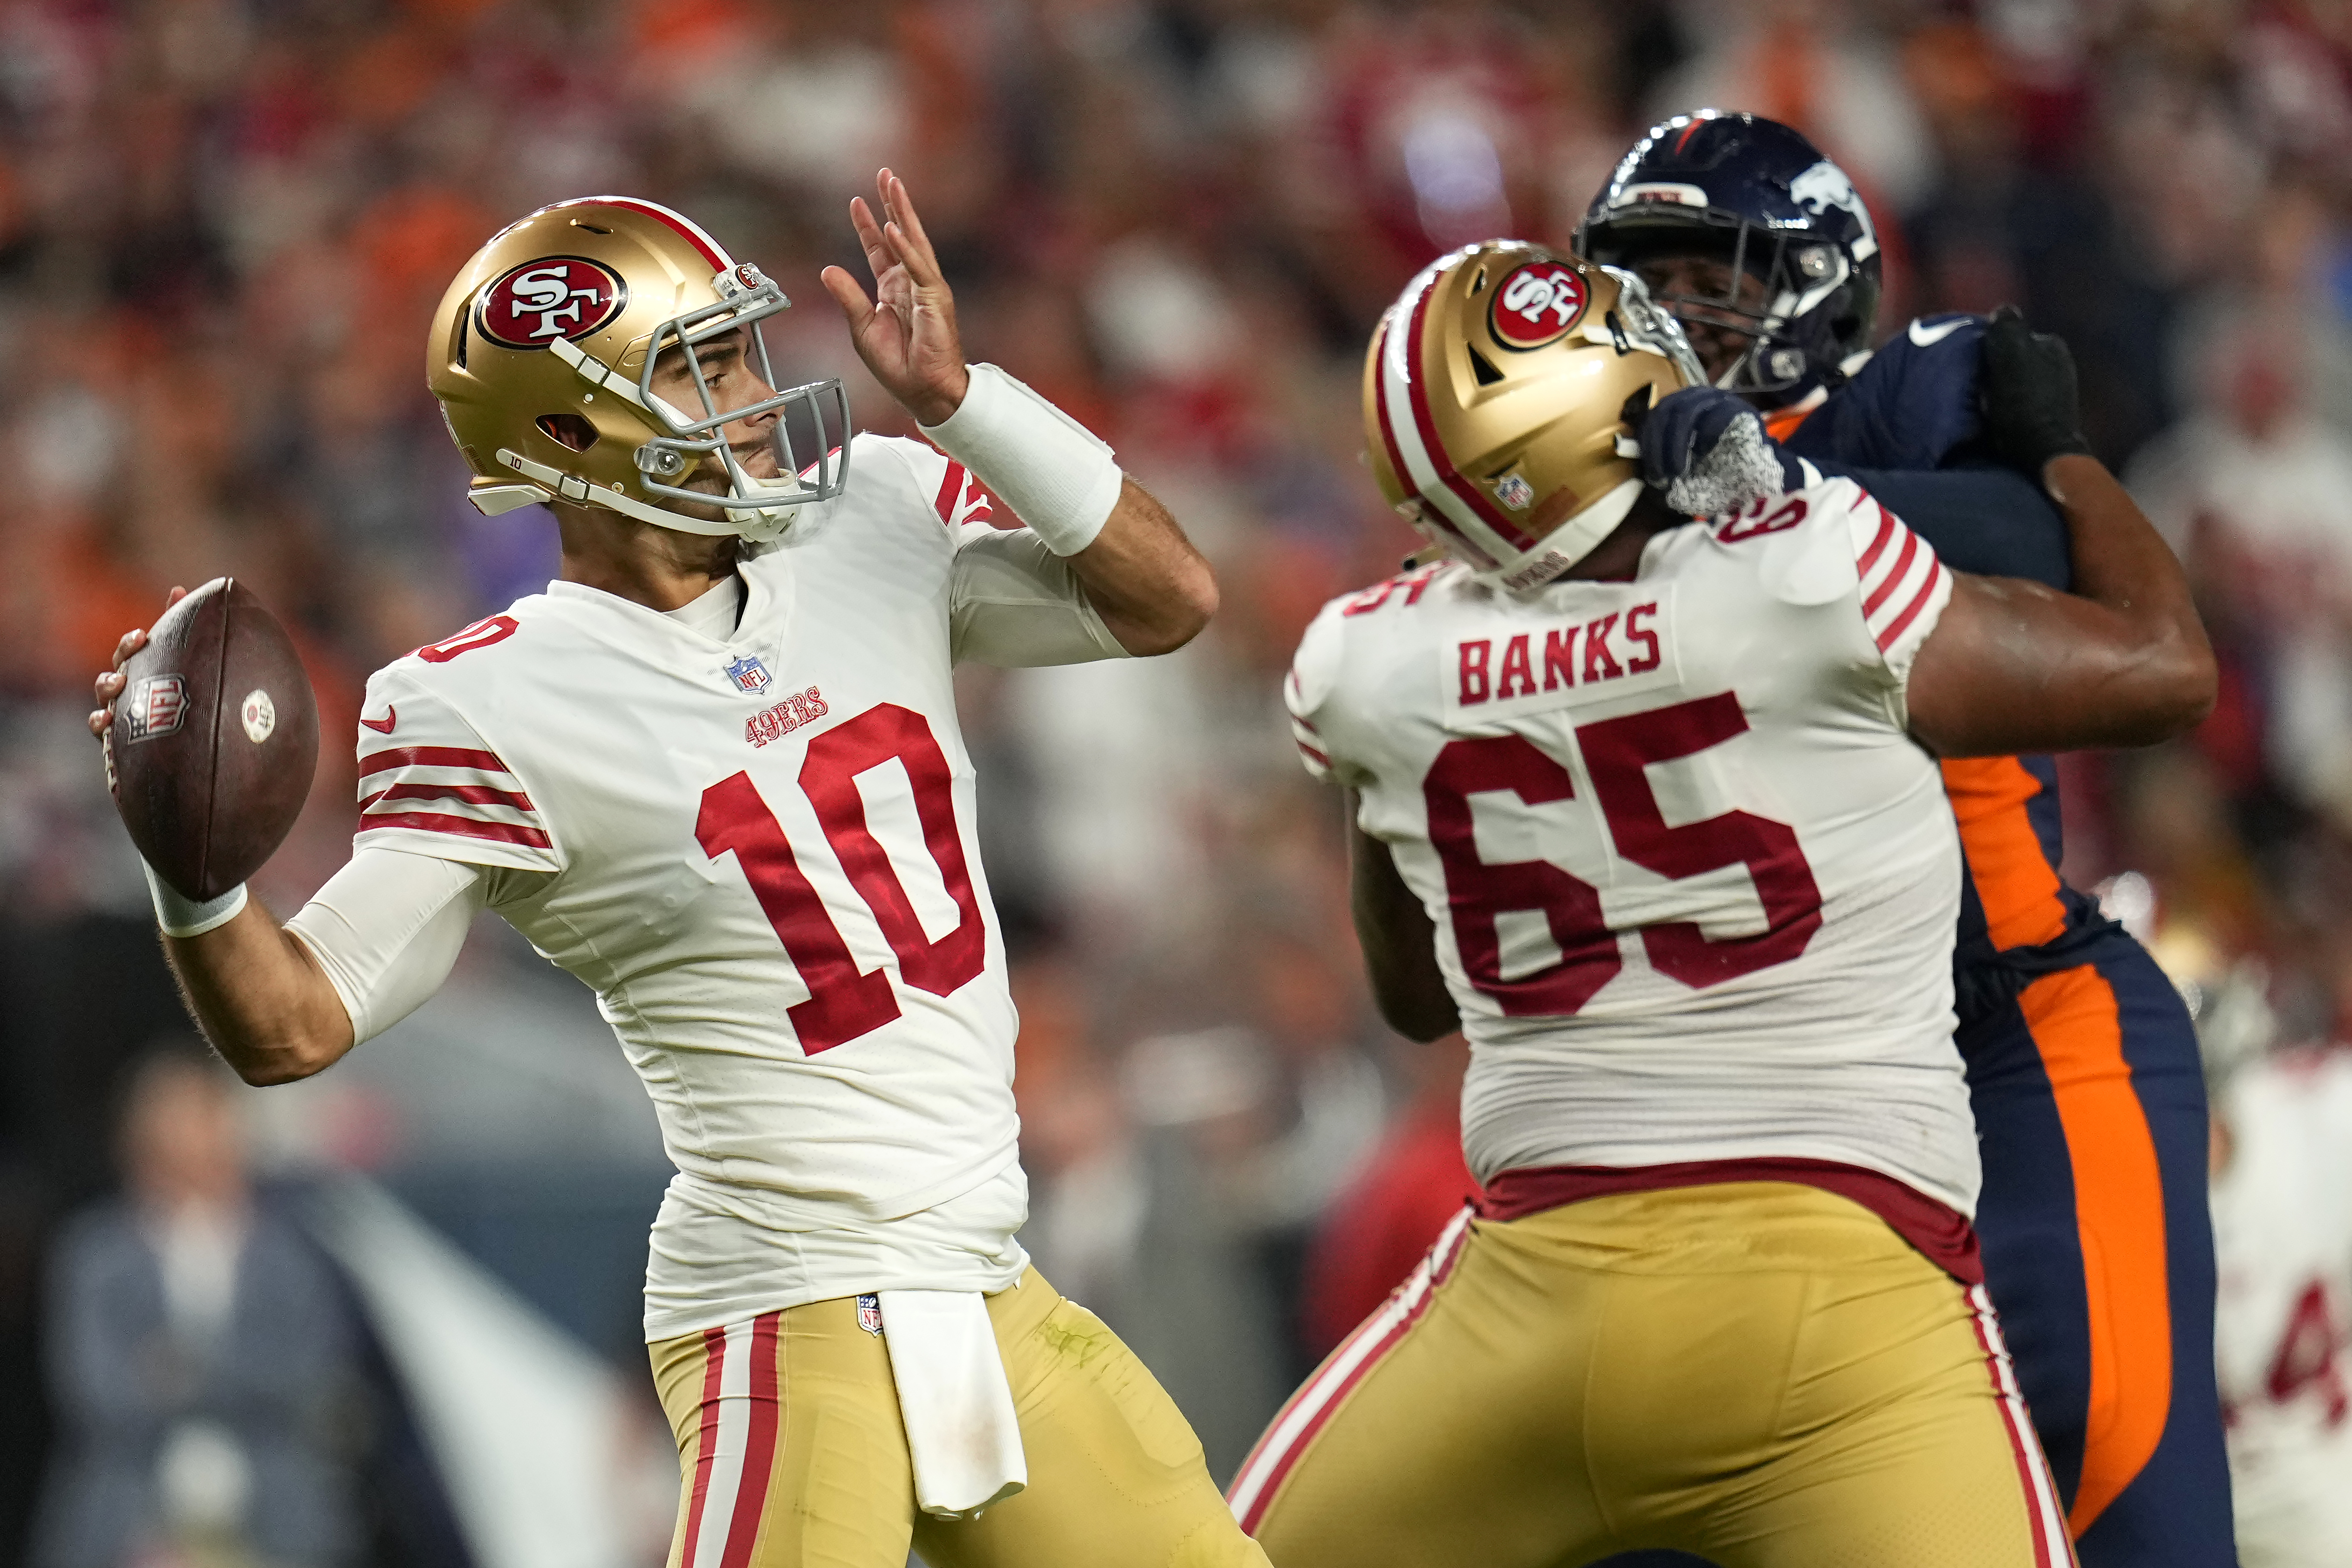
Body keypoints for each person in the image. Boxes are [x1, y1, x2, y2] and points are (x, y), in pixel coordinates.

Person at [88, 174, 1270, 1568]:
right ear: (570, 433)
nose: (754, 391)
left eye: (740, 349)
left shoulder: (872, 513)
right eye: (697, 364)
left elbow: (1167, 599)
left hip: (986, 1280)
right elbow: (293, 1021)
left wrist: (967, 399)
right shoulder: (488, 701)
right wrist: (195, 874)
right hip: (790, 1311)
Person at [1226, 241, 2211, 1564]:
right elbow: (2164, 668)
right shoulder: (1804, 572)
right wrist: (2063, 453)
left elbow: (1415, 996)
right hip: (1842, 1291)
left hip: (1523, 1309)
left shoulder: (1369, 663)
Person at [1575, 110, 2236, 1568]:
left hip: (2012, 1035)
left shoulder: (1898, 401)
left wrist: (1758, 500)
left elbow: (2033, 540)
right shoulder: (1575, 479)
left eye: (1713, 276)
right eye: (1643, 277)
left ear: (1815, 291)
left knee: (2124, 1491)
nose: (1669, 315)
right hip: (1763, 1102)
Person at [34, 1045, 362, 1568]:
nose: (193, 1136)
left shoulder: (294, 1254)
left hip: (279, 1525)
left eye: (205, 1114)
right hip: (129, 1523)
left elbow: (313, 1379)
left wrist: (179, 1369)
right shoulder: (95, 1253)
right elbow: (97, 1392)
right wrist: (244, 1375)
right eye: (175, 1118)